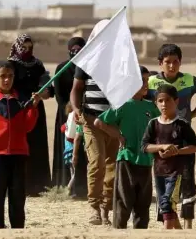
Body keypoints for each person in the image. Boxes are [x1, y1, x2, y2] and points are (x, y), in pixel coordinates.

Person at [147, 43, 196, 229]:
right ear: (160, 63)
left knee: (187, 182)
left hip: (184, 140)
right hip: (160, 139)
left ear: (180, 62)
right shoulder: (151, 82)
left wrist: (195, 113)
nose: (172, 66)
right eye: (167, 62)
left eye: (175, 62)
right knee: (163, 182)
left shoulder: (189, 80)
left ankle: (188, 225)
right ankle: (168, 223)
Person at [94, 66, 159, 229]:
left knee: (143, 202)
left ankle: (140, 234)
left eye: (147, 81)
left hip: (145, 160)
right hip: (126, 159)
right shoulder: (123, 105)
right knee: (123, 199)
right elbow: (99, 122)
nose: (146, 85)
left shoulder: (151, 107)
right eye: (141, 81)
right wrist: (118, 135)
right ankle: (119, 230)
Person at [0, 60, 41, 229]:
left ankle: (18, 230)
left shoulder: (23, 100)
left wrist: (33, 108)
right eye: (3, 76)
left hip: (20, 153)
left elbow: (28, 126)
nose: (7, 80)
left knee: (18, 197)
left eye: (10, 76)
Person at [70, 19, 119, 226]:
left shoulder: (121, 61)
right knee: (97, 163)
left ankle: (106, 209)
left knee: (112, 167)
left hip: (114, 122)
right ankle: (94, 208)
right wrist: (76, 110)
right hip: (91, 119)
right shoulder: (87, 61)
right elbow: (76, 89)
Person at [142, 84, 196, 230]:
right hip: (159, 171)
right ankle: (180, 236)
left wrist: (177, 151)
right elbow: (144, 146)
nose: (164, 104)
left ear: (176, 101)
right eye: (160, 101)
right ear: (156, 103)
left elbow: (195, 147)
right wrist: (160, 147)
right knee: (165, 205)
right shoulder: (153, 124)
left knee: (167, 203)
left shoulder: (182, 125)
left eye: (167, 100)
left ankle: (166, 237)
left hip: (176, 173)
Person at [8, 34, 53, 197]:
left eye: (30, 48)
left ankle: (37, 185)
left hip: (36, 110)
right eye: (24, 48)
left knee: (37, 145)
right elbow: (6, 86)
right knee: (20, 146)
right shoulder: (11, 65)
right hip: (18, 109)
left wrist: (44, 93)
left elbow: (48, 87)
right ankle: (18, 185)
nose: (27, 51)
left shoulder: (38, 64)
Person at [52, 37, 86, 193]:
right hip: (65, 113)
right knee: (67, 148)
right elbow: (59, 96)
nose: (76, 53)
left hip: (85, 113)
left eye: (80, 49)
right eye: (73, 50)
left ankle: (83, 186)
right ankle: (66, 184)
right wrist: (71, 109)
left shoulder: (88, 68)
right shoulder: (61, 68)